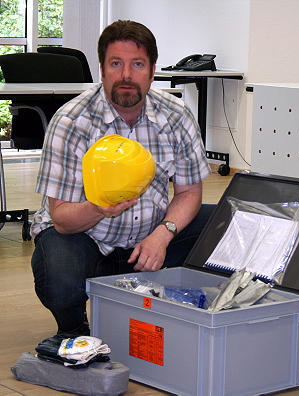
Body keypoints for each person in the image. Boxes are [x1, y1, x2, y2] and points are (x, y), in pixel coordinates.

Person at [30, 20, 215, 337]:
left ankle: (194, 314)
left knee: (227, 222)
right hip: (85, 236)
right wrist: (99, 208)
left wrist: (163, 233)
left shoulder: (176, 116)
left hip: (149, 239)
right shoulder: (71, 121)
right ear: (102, 70)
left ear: (152, 71)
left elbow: (188, 194)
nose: (126, 75)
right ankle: (75, 330)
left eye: (137, 64)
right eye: (116, 64)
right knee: (60, 279)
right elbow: (61, 218)